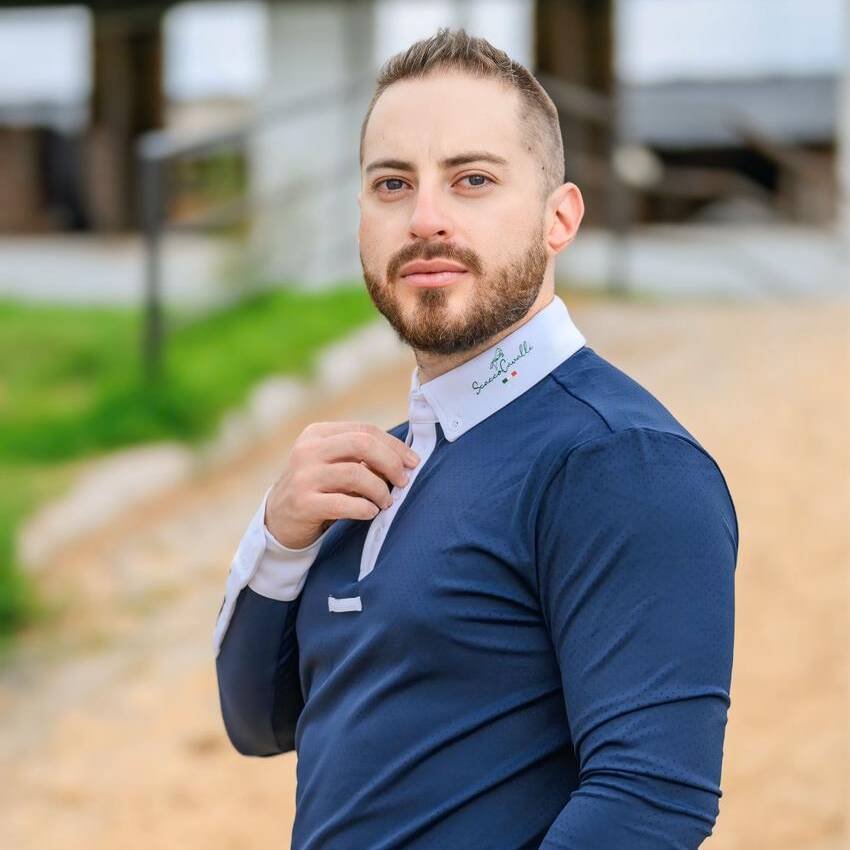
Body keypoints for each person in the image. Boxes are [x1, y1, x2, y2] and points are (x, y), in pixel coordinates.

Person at [213, 28, 739, 850]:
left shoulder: (622, 461)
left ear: (559, 218)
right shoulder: (375, 466)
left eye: (473, 180)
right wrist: (278, 535)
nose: (426, 220)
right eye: (393, 184)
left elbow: (650, 802)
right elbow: (257, 720)